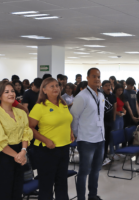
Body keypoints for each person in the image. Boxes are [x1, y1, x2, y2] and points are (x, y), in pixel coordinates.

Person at [28, 78, 74, 200]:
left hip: (64, 147)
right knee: (47, 184)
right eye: (51, 86)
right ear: (44, 90)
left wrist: (71, 131)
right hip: (47, 150)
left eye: (57, 86)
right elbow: (30, 127)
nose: (55, 88)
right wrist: (46, 140)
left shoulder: (63, 103)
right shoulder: (40, 107)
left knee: (62, 182)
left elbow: (66, 120)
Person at [70, 68, 105, 200]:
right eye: (94, 76)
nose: (97, 79)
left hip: (100, 138)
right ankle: (81, 198)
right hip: (86, 140)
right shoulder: (82, 96)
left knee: (96, 170)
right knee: (84, 171)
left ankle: (92, 195)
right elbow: (74, 117)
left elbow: (99, 117)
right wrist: (78, 135)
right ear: (88, 78)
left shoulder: (101, 95)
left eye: (99, 77)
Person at [0, 81, 33, 200]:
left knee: (17, 189)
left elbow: (26, 132)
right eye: (6, 92)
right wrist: (18, 156)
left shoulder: (20, 112)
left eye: (12, 91)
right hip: (3, 155)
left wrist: (23, 151)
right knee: (3, 191)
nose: (11, 94)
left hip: (20, 153)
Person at [101, 80, 116, 166]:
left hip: (110, 120)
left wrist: (114, 118)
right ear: (103, 87)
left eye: (109, 85)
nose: (108, 87)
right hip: (102, 121)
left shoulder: (112, 95)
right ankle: (101, 157)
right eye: (106, 85)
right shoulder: (100, 95)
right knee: (102, 140)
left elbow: (114, 106)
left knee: (107, 139)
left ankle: (105, 155)